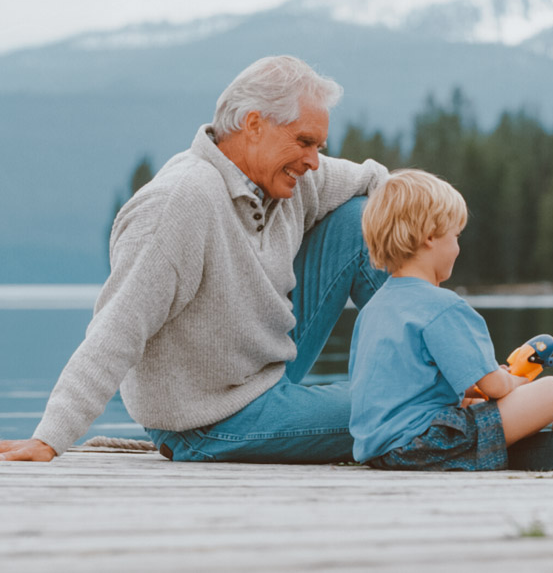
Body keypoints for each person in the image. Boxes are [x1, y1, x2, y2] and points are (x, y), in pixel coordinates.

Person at [0, 55, 389, 463]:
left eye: (318, 147)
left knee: (361, 220)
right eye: (304, 142)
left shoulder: (291, 176)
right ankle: (448, 411)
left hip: (265, 371)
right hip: (206, 422)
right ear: (255, 125)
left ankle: (450, 372)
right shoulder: (180, 202)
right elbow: (117, 328)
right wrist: (50, 437)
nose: (313, 160)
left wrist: (452, 348)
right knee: (396, 407)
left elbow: (383, 186)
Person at [349, 169, 553, 471]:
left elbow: (403, 383)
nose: (458, 247)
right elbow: (495, 387)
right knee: (551, 393)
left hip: (378, 451)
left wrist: (474, 391)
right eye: (455, 236)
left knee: (473, 404)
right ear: (429, 237)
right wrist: (514, 380)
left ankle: (492, 450)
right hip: (423, 445)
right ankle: (493, 452)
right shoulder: (444, 307)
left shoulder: (373, 309)